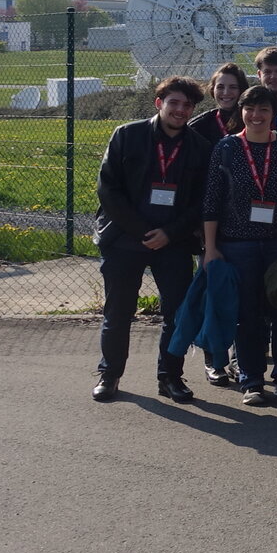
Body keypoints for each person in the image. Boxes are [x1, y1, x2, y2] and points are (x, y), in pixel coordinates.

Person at [92, 76, 209, 402]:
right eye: (174, 102)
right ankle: (110, 374)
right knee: (118, 312)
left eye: (187, 105)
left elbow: (201, 202)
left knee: (176, 315)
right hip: (125, 239)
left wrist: (170, 233)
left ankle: (170, 377)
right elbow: (108, 189)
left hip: (173, 243)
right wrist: (141, 230)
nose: (180, 110)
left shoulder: (199, 148)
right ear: (159, 103)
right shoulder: (127, 135)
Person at [202, 84, 277, 406]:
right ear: (241, 112)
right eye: (250, 109)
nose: (256, 115)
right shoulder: (226, 148)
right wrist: (210, 249)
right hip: (237, 245)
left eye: (264, 109)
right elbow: (211, 201)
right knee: (248, 315)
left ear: (273, 113)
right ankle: (252, 380)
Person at [189, 62, 248, 145]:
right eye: (220, 87)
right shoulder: (199, 126)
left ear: (242, 90)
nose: (226, 92)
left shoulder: (251, 120)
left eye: (233, 87)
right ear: (213, 90)